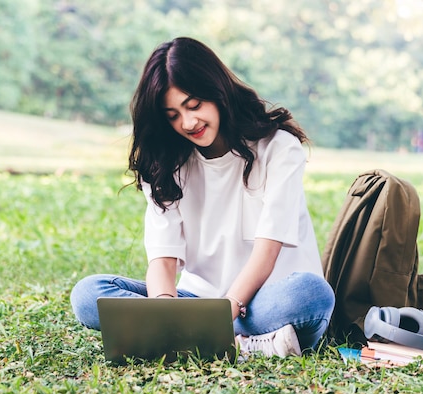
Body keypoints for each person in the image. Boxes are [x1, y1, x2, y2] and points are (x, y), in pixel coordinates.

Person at [70, 37, 335, 358]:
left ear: (217, 91)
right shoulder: (166, 167)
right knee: (88, 294)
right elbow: (163, 262)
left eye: (193, 105)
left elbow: (267, 252)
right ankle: (244, 345)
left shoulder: (279, 148)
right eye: (172, 115)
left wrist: (226, 311)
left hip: (267, 300)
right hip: (198, 302)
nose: (188, 122)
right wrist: (165, 312)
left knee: (310, 293)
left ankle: (197, 340)